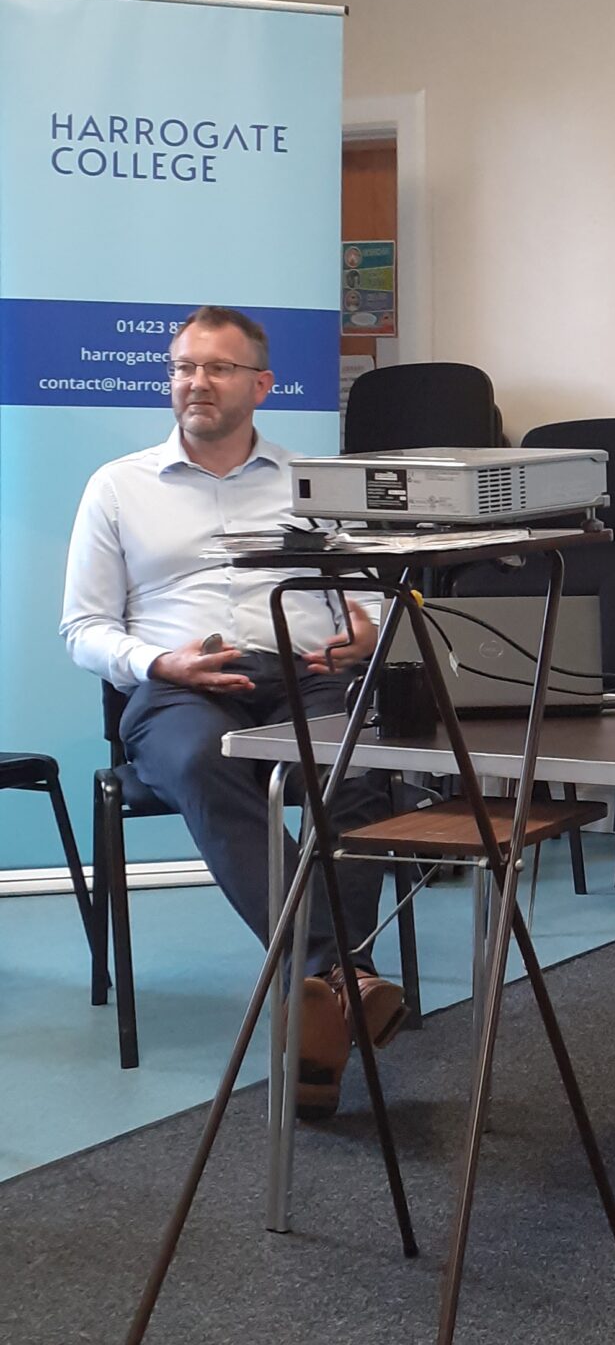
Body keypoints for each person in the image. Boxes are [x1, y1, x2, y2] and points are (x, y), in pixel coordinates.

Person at [61, 304, 403, 1117]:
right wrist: (160, 661)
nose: (194, 383)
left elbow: (370, 602)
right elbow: (83, 629)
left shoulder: (312, 481)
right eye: (182, 367)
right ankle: (338, 977)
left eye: (215, 368)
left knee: (358, 769)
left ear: (262, 384)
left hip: (305, 673)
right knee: (197, 762)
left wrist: (365, 632)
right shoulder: (118, 486)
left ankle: (321, 1009)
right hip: (182, 685)